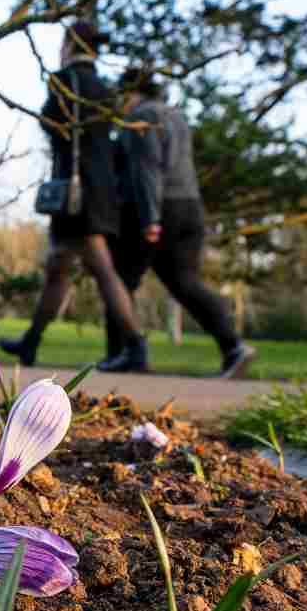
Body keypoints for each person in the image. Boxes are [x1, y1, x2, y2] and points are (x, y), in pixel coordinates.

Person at [0, 21, 149, 371]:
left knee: (100, 268)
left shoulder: (65, 82)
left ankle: (136, 345)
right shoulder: (104, 89)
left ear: (68, 44)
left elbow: (51, 126)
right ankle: (31, 342)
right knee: (58, 268)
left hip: (75, 193)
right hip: (100, 191)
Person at [102, 66, 256, 378]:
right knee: (184, 282)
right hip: (190, 206)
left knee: (119, 280)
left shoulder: (139, 118)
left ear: (130, 93)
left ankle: (124, 354)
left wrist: (150, 219)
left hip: (155, 209)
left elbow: (147, 170)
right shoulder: (176, 116)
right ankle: (233, 346)